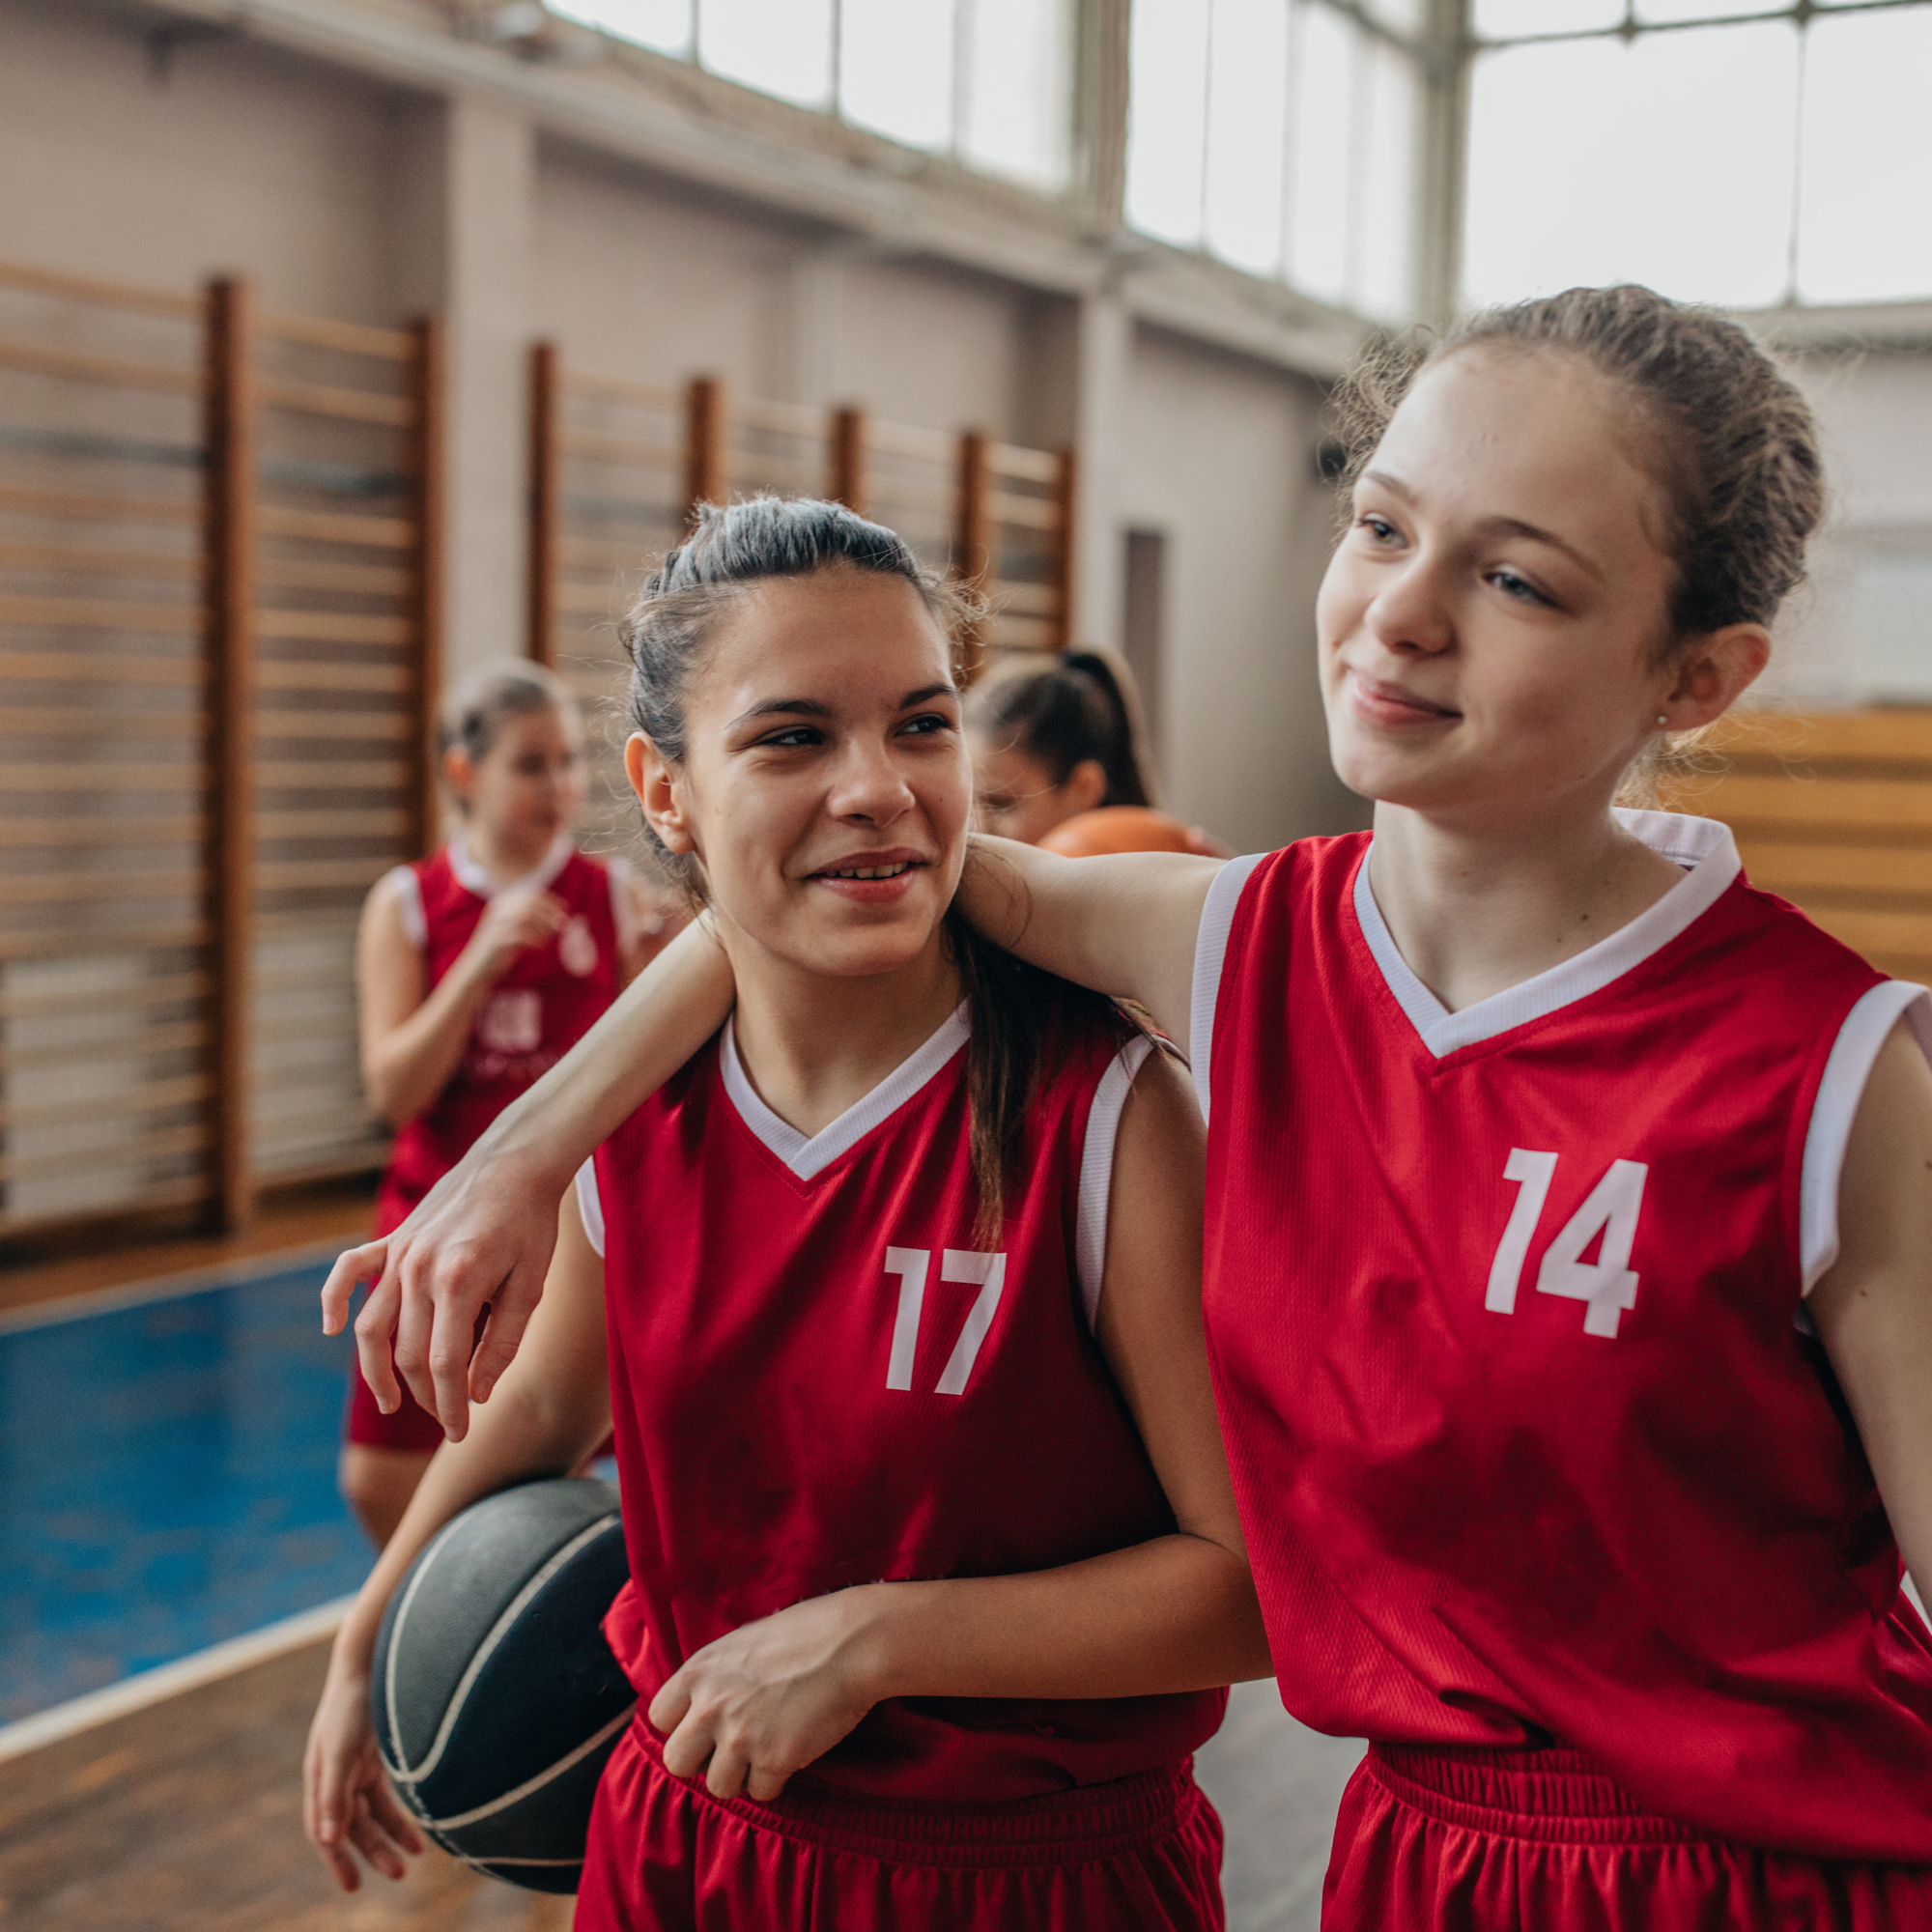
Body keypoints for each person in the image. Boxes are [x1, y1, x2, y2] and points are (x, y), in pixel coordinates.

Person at [329, 286, 1932, 1924]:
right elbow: (820, 890)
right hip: (1418, 1856)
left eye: (1516, 577)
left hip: (1778, 1874)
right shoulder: (1252, 945)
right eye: (1382, 525)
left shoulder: (1835, 1083)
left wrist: (880, 1638)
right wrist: (524, 1155)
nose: (1405, 613)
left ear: (1698, 676)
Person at [305, 499, 1268, 1927]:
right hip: (685, 1853)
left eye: (922, 725)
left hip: (1026, 1880)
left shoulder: (1104, 1113)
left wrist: (874, 1643)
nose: (877, 786)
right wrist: (363, 1637)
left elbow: (1248, 1591)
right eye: (793, 735)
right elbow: (531, 1417)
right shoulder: (638, 1119)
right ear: (665, 787)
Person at [342, 662, 663, 1545]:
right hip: (433, 1218)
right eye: (531, 764)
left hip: (566, 1234)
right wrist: (480, 958)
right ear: (463, 774)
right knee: (380, 1479)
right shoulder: (410, 902)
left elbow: (647, 1075)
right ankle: (426, 1629)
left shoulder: (613, 897)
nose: (558, 786)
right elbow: (393, 1090)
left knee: (556, 1482)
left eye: (567, 763)